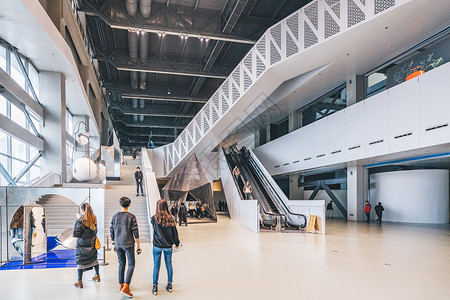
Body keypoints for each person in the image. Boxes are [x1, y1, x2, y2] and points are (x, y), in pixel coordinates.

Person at [110, 196, 142, 298]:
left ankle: (121, 285)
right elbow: (135, 232)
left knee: (121, 264)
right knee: (131, 264)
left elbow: (112, 230)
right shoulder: (131, 216)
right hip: (128, 244)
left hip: (118, 243)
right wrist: (138, 245)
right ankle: (126, 287)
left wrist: (113, 243)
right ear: (129, 205)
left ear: (120, 204)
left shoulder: (115, 216)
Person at [151, 199, 180, 295]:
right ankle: (169, 285)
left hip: (157, 246)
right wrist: (177, 243)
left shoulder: (154, 218)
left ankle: (155, 287)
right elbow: (174, 232)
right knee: (169, 265)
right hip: (168, 246)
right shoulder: (170, 218)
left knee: (156, 266)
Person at [73, 203, 100, 289]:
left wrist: (78, 219)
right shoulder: (94, 218)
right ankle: (97, 275)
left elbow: (76, 234)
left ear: (82, 210)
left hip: (82, 244)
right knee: (94, 259)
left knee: (80, 261)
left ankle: (79, 281)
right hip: (92, 243)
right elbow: (96, 231)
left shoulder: (79, 221)